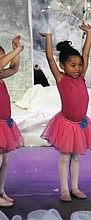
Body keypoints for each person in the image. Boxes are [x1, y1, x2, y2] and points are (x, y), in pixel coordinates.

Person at [39, 24, 91, 202]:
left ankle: (75, 187)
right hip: (66, 125)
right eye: (73, 65)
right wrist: (49, 39)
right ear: (63, 66)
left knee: (76, 158)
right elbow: (50, 58)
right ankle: (64, 190)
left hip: (81, 124)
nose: (77, 69)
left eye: (80, 65)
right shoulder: (61, 78)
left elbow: (86, 53)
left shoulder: (81, 77)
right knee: (65, 157)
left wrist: (90, 33)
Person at [0, 35, 24, 207]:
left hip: (4, 124)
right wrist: (15, 50)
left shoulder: (1, 77)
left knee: (5, 160)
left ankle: (1, 190)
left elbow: (14, 68)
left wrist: (16, 49)